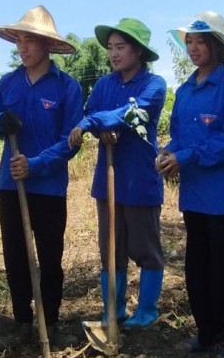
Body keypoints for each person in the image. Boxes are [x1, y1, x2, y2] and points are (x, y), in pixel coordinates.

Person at [157, 12, 224, 358]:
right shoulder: (184, 91)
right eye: (189, 42)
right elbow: (179, 136)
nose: (193, 48)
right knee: (197, 264)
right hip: (194, 195)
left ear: (219, 46)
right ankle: (206, 332)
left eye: (201, 42)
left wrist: (186, 157)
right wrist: (165, 153)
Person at [0, 6, 83, 341]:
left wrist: (36, 164)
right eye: (19, 41)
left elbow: (70, 142)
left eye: (30, 41)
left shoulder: (67, 88)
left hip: (49, 187)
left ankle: (50, 323)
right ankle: (22, 322)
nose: (23, 48)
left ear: (47, 46)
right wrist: (1, 123)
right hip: (10, 184)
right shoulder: (8, 83)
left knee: (50, 256)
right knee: (15, 254)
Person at [68, 18, 167, 331]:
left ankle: (147, 310)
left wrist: (94, 124)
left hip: (140, 177)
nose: (113, 53)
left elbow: (132, 114)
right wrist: (100, 129)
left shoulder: (154, 85)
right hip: (108, 178)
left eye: (120, 47)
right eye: (110, 47)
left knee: (145, 247)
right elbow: (90, 111)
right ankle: (114, 309)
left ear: (138, 51)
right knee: (111, 247)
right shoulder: (104, 85)